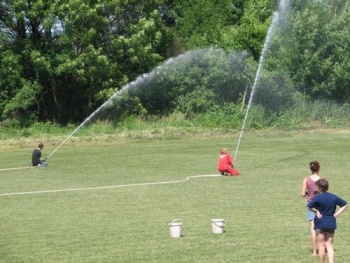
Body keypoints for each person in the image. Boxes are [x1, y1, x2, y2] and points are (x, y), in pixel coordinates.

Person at [307, 178, 347, 263]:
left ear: (319, 188)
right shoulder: (333, 197)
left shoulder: (317, 198)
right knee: (329, 245)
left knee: (321, 245)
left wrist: (316, 211)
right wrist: (337, 213)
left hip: (319, 224)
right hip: (331, 223)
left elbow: (309, 206)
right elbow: (345, 204)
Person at [301, 160, 322, 256]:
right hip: (321, 205)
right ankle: (323, 249)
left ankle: (314, 252)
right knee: (321, 228)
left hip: (311, 205)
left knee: (313, 228)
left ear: (310, 169)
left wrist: (308, 193)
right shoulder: (322, 179)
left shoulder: (306, 179)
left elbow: (302, 194)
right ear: (318, 168)